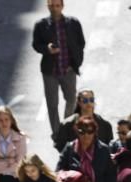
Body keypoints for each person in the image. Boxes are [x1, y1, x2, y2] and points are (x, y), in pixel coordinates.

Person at [32, 0, 85, 140]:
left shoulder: (73, 23)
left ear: (62, 6)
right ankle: (57, 133)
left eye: (57, 5)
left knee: (71, 100)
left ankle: (67, 126)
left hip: (68, 70)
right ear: (48, 6)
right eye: (51, 5)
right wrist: (47, 49)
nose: (54, 9)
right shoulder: (41, 25)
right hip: (50, 72)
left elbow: (81, 43)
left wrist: (77, 61)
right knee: (52, 104)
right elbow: (36, 45)